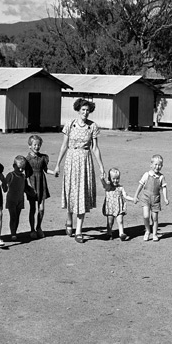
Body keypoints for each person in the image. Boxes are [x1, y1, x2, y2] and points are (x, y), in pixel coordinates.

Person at [53, 98, 106, 243]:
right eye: (83, 110)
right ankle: (69, 218)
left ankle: (78, 231)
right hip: (71, 160)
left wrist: (101, 166)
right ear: (78, 110)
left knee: (82, 192)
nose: (85, 112)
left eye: (88, 110)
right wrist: (58, 164)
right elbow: (64, 145)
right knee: (71, 191)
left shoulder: (93, 126)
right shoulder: (70, 124)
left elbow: (95, 147)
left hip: (85, 161)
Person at [134, 154, 169, 242]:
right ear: (151, 165)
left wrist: (165, 198)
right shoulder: (146, 175)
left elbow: (164, 188)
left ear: (162, 166)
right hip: (145, 198)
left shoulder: (161, 177)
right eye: (155, 164)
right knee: (146, 216)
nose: (157, 167)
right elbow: (140, 185)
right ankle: (147, 230)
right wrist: (136, 195)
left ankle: (154, 234)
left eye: (159, 165)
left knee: (155, 218)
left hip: (156, 200)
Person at [25, 135, 51, 239]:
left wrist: (54, 172)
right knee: (32, 209)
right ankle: (32, 230)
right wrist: (26, 187)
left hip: (41, 183)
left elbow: (46, 170)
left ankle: (39, 227)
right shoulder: (26, 160)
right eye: (34, 144)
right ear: (30, 146)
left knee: (41, 208)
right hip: (32, 185)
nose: (37, 146)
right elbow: (25, 175)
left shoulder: (43, 157)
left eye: (39, 144)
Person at [3, 155, 35, 241]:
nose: (21, 170)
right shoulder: (11, 175)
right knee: (13, 216)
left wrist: (31, 192)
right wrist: (4, 187)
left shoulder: (23, 176)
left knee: (17, 216)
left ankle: (15, 232)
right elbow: (4, 184)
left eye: (23, 168)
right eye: (19, 168)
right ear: (14, 166)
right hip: (11, 199)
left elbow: (24, 187)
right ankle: (13, 233)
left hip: (20, 199)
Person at [101, 167, 135, 241]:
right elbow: (104, 184)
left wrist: (133, 199)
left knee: (120, 220)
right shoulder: (108, 187)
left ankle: (121, 233)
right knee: (110, 221)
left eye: (117, 178)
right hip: (110, 207)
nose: (116, 181)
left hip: (119, 207)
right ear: (110, 178)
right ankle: (109, 233)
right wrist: (102, 179)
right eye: (113, 179)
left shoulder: (120, 187)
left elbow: (125, 196)